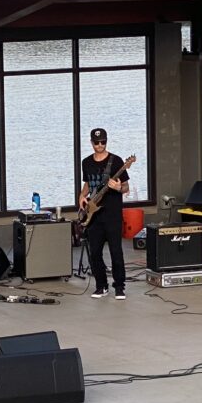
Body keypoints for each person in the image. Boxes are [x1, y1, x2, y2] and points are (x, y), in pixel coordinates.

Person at [79, 127, 130, 299]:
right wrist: (81, 196)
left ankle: (119, 287)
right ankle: (101, 286)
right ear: (91, 142)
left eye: (103, 142)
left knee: (116, 251)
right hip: (93, 215)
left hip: (112, 214)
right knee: (95, 253)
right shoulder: (86, 162)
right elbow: (87, 184)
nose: (100, 145)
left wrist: (118, 187)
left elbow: (126, 187)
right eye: (96, 142)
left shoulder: (116, 162)